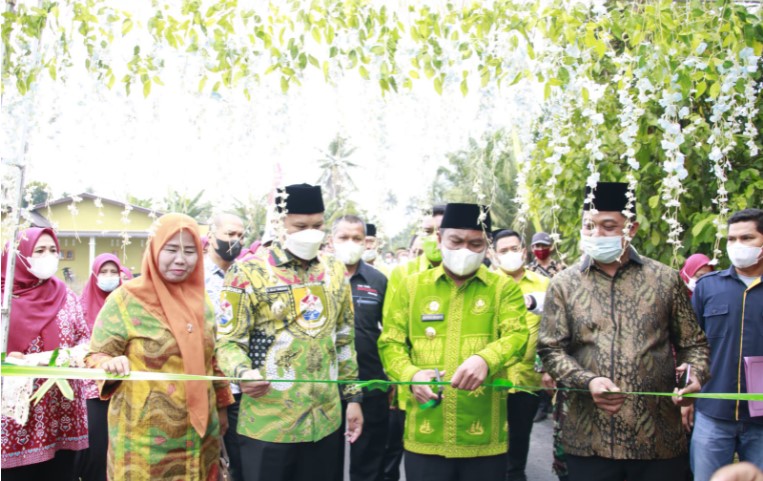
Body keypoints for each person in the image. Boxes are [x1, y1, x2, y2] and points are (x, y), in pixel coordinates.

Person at [538, 181, 710, 481]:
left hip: (658, 440)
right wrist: (587, 380)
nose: (596, 235)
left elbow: (693, 344)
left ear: (631, 229)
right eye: (589, 226)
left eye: (608, 226)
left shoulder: (665, 280)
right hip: (589, 439)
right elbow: (550, 349)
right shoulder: (565, 284)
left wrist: (694, 375)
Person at [215, 183, 362, 481]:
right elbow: (228, 343)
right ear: (279, 224)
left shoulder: (335, 270)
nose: (311, 232)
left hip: (325, 422)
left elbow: (344, 339)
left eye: (318, 225)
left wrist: (354, 398)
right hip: (269, 424)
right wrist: (242, 373)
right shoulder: (246, 272)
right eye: (300, 225)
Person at [378, 202, 529, 480]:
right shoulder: (411, 287)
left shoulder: (503, 289)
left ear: (487, 246)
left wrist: (486, 359)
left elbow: (517, 336)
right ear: (439, 239)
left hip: (484, 437)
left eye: (475, 244)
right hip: (425, 429)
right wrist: (411, 375)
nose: (465, 250)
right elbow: (391, 343)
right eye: (456, 241)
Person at [86, 213, 234, 481]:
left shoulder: (202, 303)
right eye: (171, 249)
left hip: (202, 436)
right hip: (145, 440)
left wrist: (222, 407)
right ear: (154, 249)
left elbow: (211, 359)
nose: (181, 259)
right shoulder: (125, 300)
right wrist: (109, 363)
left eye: (190, 251)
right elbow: (95, 354)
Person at [1, 227, 90, 480]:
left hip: (62, 412)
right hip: (16, 417)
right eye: (39, 250)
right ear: (18, 256)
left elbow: (84, 338)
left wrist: (71, 355)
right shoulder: (4, 300)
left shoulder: (66, 296)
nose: (48, 256)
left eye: (53, 250)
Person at [687, 208, 763, 481]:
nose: (737, 245)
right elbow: (692, 346)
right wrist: (688, 397)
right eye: (731, 239)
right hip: (713, 413)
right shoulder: (708, 287)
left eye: (747, 238)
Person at [382, 205, 445, 481]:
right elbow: (392, 334)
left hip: (459, 383)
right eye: (427, 231)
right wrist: (405, 377)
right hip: (412, 384)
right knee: (406, 454)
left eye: (438, 232)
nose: (432, 238)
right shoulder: (403, 275)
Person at [331, 215, 390, 481]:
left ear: (366, 242)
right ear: (332, 241)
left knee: (368, 461)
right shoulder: (321, 279)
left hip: (370, 382)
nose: (350, 243)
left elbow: (390, 332)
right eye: (343, 237)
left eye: (357, 238)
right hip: (325, 383)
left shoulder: (378, 280)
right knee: (325, 457)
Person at [492, 229, 550, 481]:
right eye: (503, 251)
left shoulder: (543, 285)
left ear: (524, 252)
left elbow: (551, 331)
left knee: (518, 442)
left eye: (514, 249)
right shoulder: (486, 285)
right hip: (491, 382)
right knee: (490, 445)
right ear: (494, 256)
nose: (510, 255)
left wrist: (546, 367)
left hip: (527, 380)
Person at [204, 212, 247, 481]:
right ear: (211, 236)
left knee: (241, 462)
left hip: (240, 387)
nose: (235, 241)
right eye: (230, 234)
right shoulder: (195, 278)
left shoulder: (247, 276)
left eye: (241, 236)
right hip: (206, 384)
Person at [77, 253, 124, 481]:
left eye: (113, 272)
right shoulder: (81, 306)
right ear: (94, 276)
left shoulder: (128, 305)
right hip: (92, 393)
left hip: (123, 390)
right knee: (97, 450)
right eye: (103, 272)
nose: (109, 277)